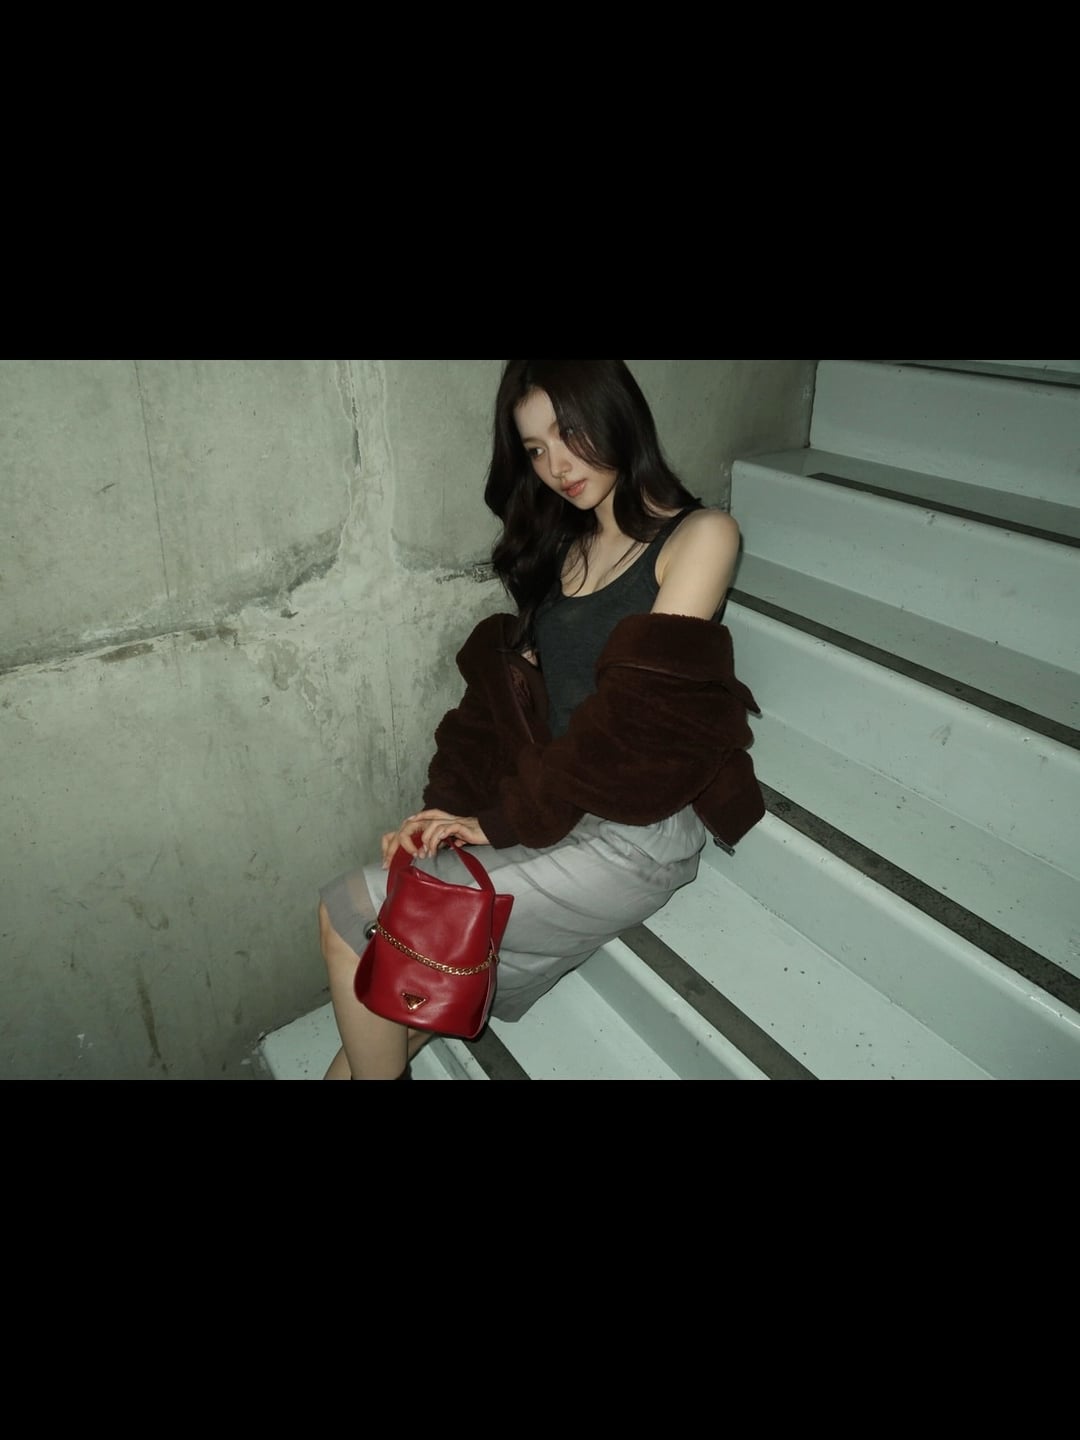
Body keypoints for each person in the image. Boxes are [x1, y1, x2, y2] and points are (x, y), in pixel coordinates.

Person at [317, 359, 764, 1080]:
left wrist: (498, 822)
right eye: (535, 449)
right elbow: (493, 713)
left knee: (351, 918)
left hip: (634, 827)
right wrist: (444, 811)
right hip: (556, 808)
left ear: (617, 414)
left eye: (570, 432)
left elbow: (630, 723)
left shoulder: (700, 536)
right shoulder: (563, 552)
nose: (557, 465)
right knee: (392, 994)